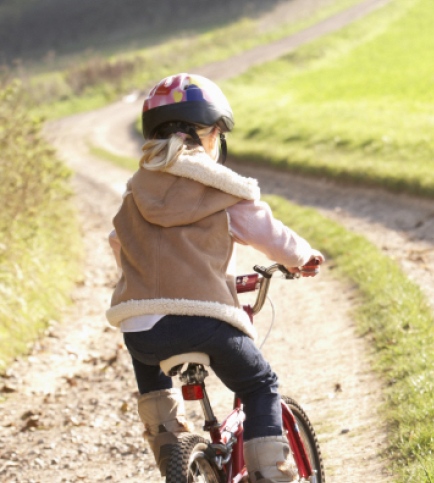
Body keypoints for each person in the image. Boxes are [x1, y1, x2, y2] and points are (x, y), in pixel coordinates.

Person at [106, 73, 324, 483]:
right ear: (208, 134)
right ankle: (270, 475)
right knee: (261, 386)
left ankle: (175, 458)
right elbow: (267, 234)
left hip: (141, 328)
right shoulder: (219, 188)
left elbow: (120, 244)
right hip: (202, 318)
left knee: (154, 383)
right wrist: (300, 257)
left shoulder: (136, 192)